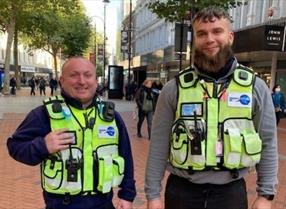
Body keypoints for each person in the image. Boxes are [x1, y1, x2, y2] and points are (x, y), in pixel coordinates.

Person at [145, 6, 278, 209]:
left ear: (230, 36)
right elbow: (159, 145)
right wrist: (153, 195)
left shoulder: (255, 88)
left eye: (217, 31)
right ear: (195, 40)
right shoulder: (173, 89)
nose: (209, 39)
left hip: (231, 194)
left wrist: (266, 195)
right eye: (202, 33)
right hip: (182, 192)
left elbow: (268, 141)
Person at [7, 57, 136, 209]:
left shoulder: (111, 117)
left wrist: (127, 195)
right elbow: (15, 146)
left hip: (104, 204)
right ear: (62, 80)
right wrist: (43, 146)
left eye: (88, 75)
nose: (81, 81)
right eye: (74, 75)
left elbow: (125, 155)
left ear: (96, 80)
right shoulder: (43, 115)